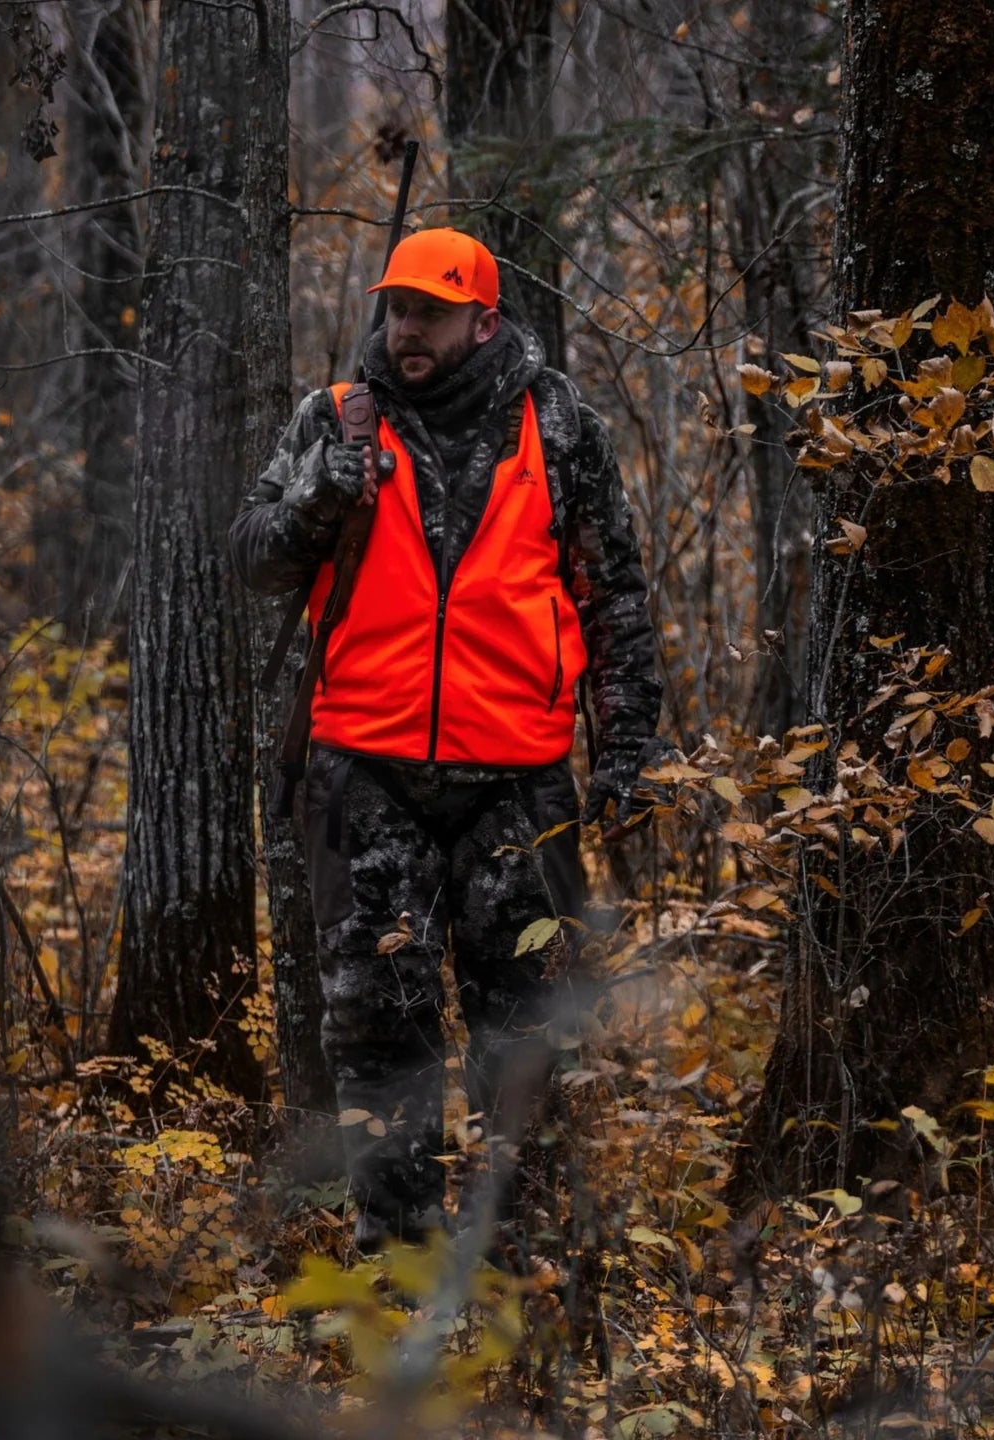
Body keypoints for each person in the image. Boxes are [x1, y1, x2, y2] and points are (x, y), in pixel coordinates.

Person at [230, 228, 662, 1251]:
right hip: (364, 776)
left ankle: (525, 1266)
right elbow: (250, 556)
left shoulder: (556, 424)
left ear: (484, 318)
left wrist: (629, 745)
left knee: (525, 1033)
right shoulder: (337, 419)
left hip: (516, 783)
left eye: (430, 309)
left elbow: (615, 595)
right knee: (379, 1032)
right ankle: (398, 1261)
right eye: (396, 308)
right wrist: (317, 498)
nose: (407, 328)